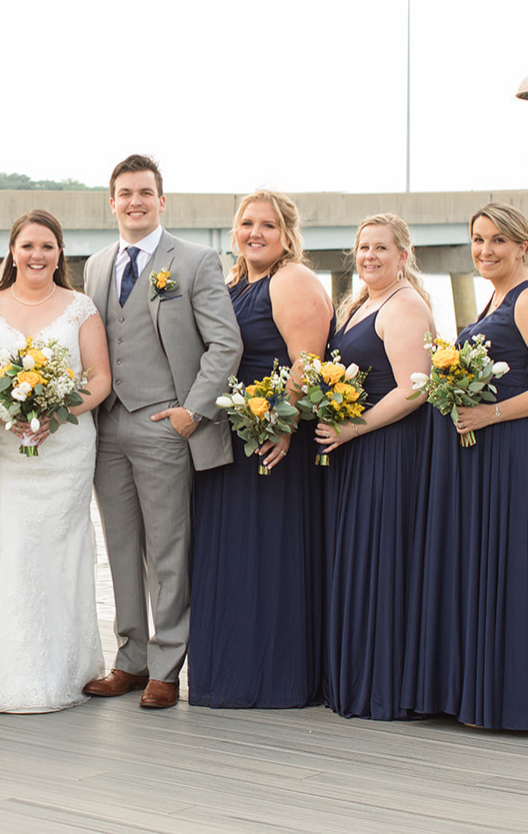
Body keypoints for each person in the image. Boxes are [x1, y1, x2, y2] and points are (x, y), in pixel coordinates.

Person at [404, 203, 528, 729]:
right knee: (493, 563)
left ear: (523, 245)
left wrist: (492, 412)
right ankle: (488, 692)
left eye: (498, 241)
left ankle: (517, 701)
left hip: (521, 447)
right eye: (478, 240)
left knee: (517, 562)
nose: (485, 251)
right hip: (492, 447)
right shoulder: (497, 296)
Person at [81, 155, 242, 709]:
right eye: (125, 193)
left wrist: (192, 412)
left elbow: (226, 344)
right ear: (112, 202)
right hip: (107, 428)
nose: (135, 202)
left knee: (169, 549)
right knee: (120, 547)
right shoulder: (97, 265)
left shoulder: (195, 261)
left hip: (166, 424)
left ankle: (167, 665)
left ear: (162, 200)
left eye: (145, 192)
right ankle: (130, 658)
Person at [0, 209, 110, 712]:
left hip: (65, 447)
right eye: (27, 246)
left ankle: (65, 668)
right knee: (12, 539)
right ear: (12, 251)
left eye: (47, 246)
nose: (37, 255)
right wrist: (6, 412)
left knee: (60, 543)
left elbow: (99, 379)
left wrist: (55, 412)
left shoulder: (80, 307)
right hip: (5, 447)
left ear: (59, 253)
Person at [188, 190, 331, 708]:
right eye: (247, 223)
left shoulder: (292, 280)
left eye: (268, 225)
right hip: (230, 436)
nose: (255, 233)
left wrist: (282, 423)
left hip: (272, 440)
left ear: (287, 235)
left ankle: (274, 678)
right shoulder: (232, 283)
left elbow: (306, 361)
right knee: (229, 555)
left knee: (268, 555)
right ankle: (228, 673)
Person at [316, 213, 435, 719]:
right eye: (363, 248)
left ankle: (382, 687)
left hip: (388, 449)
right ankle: (353, 678)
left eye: (381, 249)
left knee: (382, 560)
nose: (369, 256)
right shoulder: (361, 302)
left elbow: (416, 386)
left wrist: (353, 427)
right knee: (357, 559)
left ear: (403, 256)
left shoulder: (405, 305)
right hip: (355, 449)